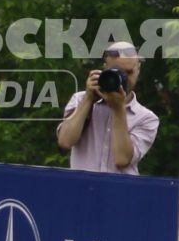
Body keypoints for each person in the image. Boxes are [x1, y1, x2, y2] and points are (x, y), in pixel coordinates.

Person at [56, 40, 159, 175]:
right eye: (117, 72)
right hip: (82, 188)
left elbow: (122, 159)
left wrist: (118, 109)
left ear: (138, 69)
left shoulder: (146, 118)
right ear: (105, 68)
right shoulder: (80, 99)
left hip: (120, 192)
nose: (123, 78)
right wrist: (88, 99)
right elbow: (65, 141)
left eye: (128, 72)